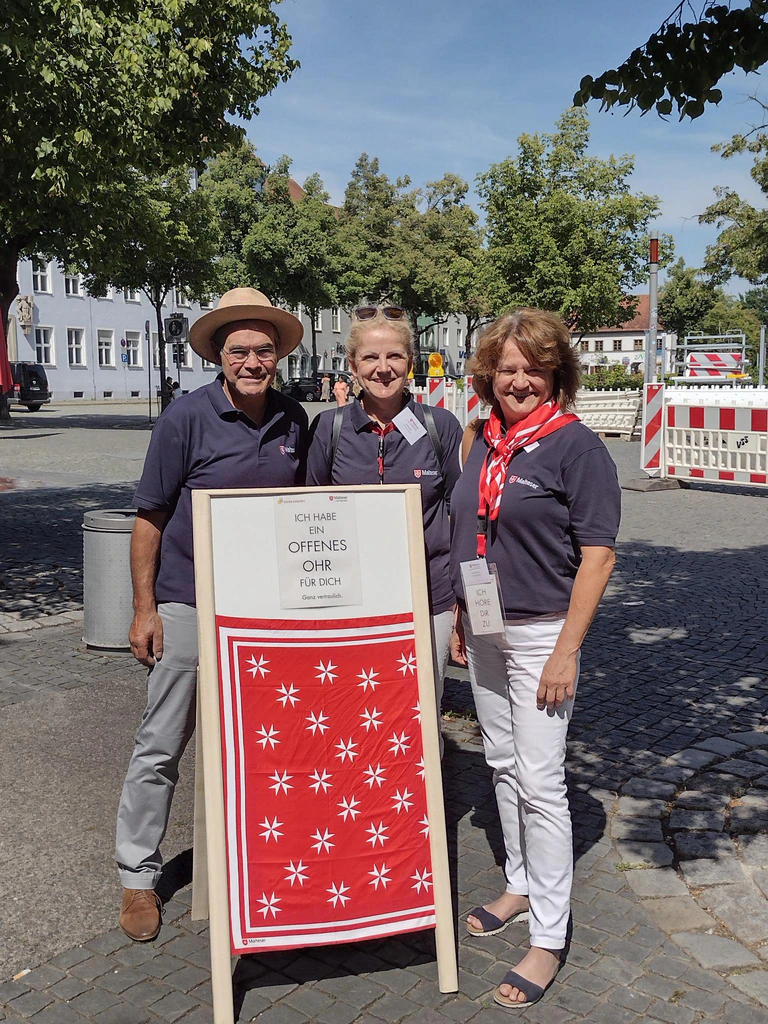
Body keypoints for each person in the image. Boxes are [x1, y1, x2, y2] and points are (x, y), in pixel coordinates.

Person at [116, 288, 307, 942]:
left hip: (263, 610)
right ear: (219, 357)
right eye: (239, 351)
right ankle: (138, 875)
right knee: (162, 742)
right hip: (189, 600)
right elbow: (149, 518)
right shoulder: (184, 418)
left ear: (278, 355)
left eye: (264, 350)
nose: (252, 362)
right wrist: (145, 609)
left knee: (265, 743)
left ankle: (256, 856)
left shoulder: (293, 418)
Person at [449, 308, 620, 1009]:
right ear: (489, 375)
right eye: (507, 368)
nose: (519, 380)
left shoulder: (577, 448)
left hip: (544, 634)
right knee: (500, 762)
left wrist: (566, 651)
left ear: (557, 374)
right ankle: (519, 884)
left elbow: (598, 556)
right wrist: (462, 614)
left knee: (542, 782)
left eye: (534, 369)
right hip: (486, 627)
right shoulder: (481, 440)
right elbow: (470, 531)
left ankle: (549, 936)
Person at [307, 306, 462, 741]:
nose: (383, 368)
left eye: (394, 356)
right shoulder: (329, 428)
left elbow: (461, 513)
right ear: (353, 364)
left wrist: (461, 600)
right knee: (349, 709)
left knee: (421, 711)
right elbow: (309, 513)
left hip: (428, 597)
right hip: (350, 601)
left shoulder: (439, 427)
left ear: (410, 362)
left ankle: (424, 785)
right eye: (371, 357)